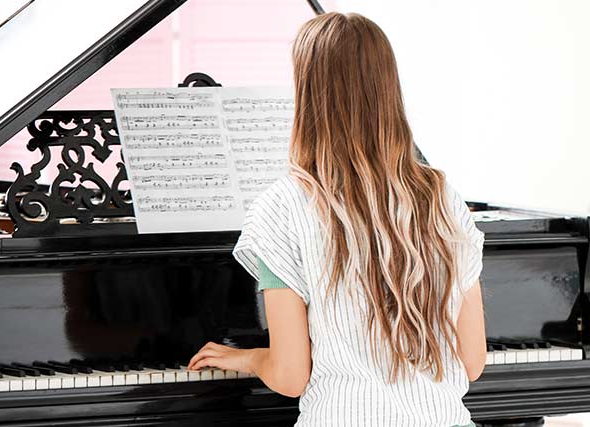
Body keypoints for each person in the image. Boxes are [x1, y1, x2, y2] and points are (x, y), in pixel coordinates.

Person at [186, 12, 487, 427]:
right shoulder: (443, 199)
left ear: (308, 96)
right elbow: (471, 363)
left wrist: (252, 357)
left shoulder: (283, 206)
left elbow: (291, 377)